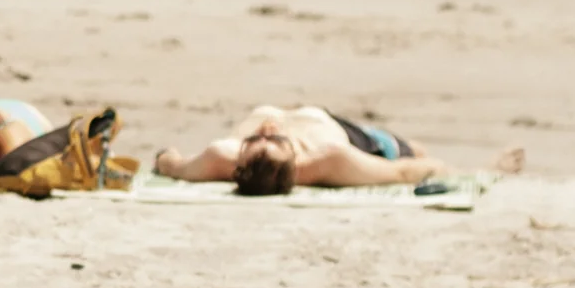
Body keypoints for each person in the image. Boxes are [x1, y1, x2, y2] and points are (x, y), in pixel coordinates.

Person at [153, 105, 510, 194]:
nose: (266, 131)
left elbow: (172, 164)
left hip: (325, 121)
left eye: (255, 142)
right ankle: (494, 166)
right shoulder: (328, 160)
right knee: (413, 151)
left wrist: (164, 157)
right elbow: (403, 173)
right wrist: (469, 176)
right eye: (272, 141)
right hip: (358, 138)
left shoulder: (221, 158)